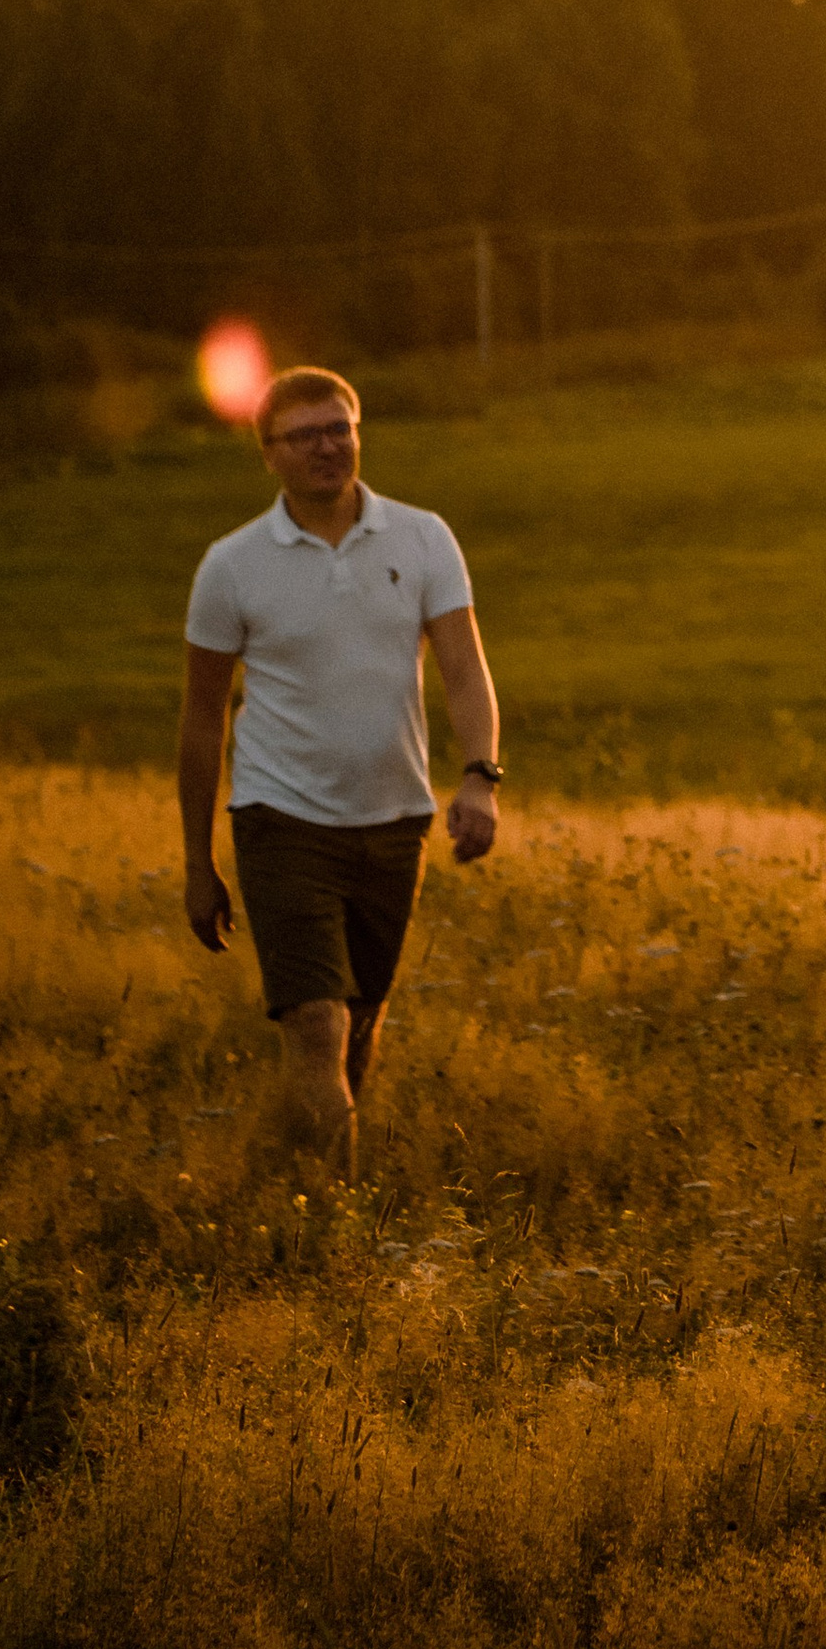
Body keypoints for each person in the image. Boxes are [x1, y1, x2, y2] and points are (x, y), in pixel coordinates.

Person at [178, 364, 503, 1167]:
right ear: (269, 453)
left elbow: (463, 666)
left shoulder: (422, 536)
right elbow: (202, 716)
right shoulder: (232, 565)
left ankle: (303, 1175)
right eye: (305, 434)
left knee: (358, 1022)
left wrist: (479, 775)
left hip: (395, 820)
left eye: (340, 428)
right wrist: (197, 861)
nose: (327, 446)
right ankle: (337, 1233)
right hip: (280, 820)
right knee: (317, 1025)